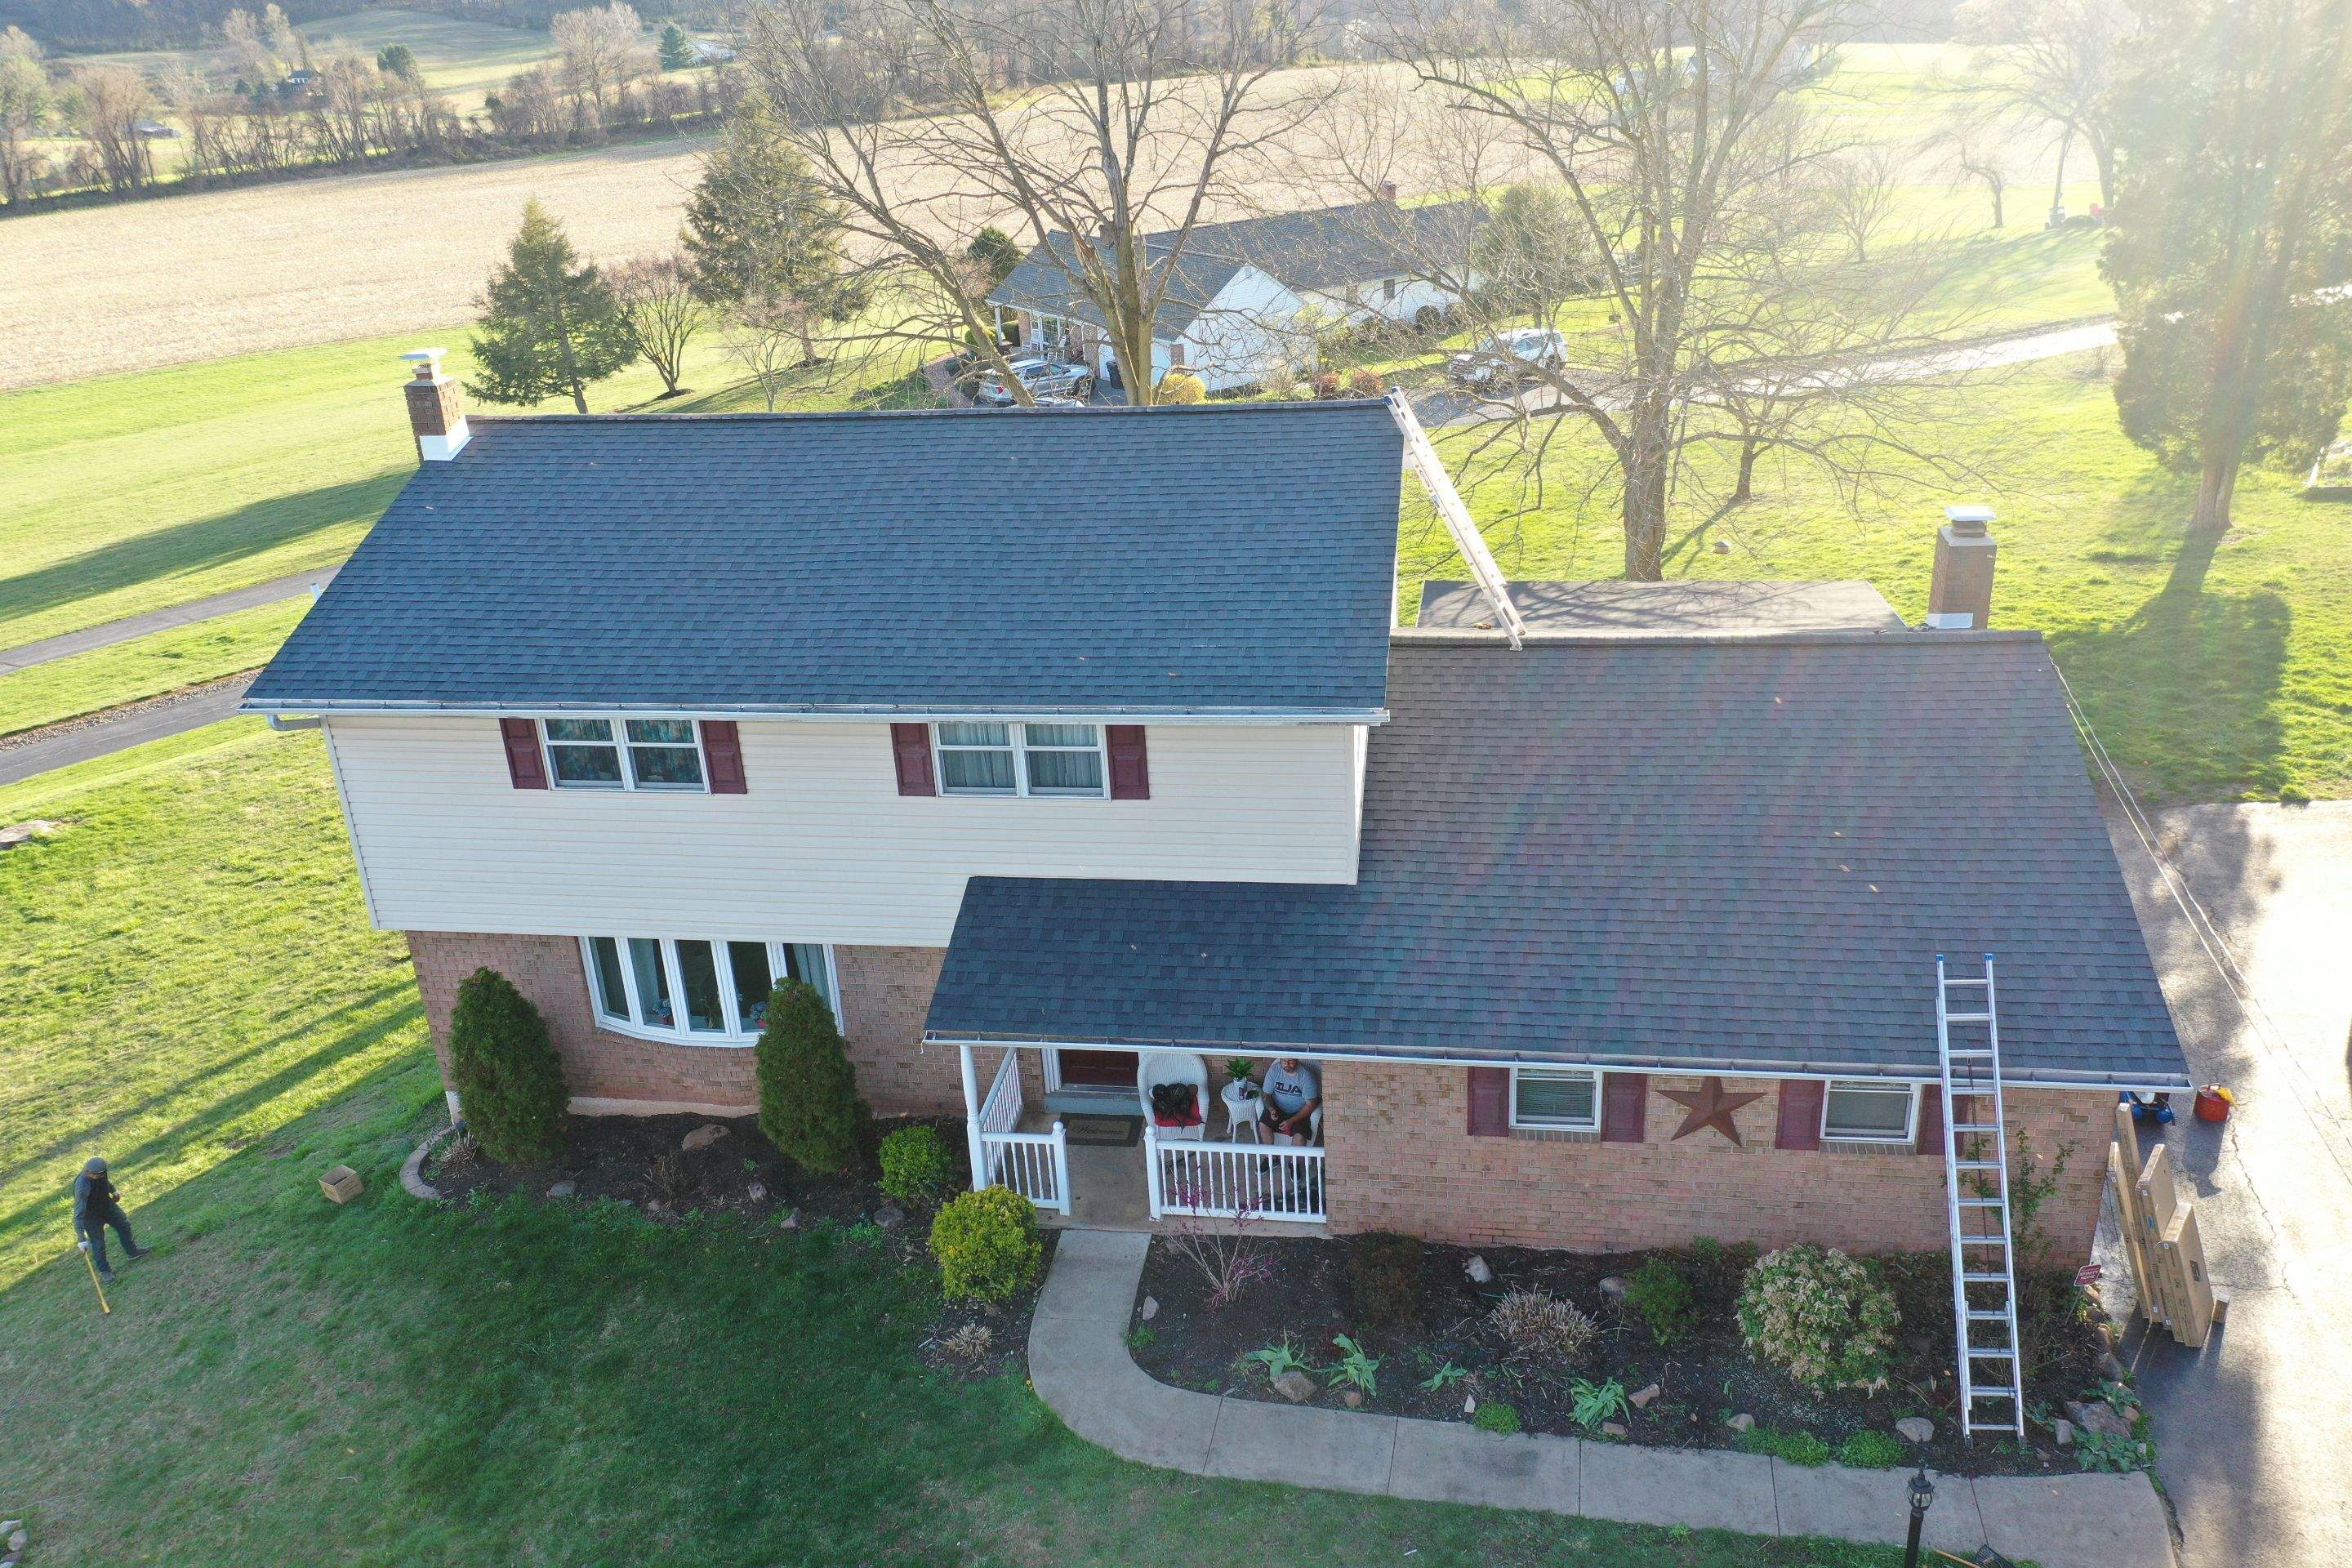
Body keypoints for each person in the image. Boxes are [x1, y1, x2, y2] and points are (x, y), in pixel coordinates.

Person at [74, 1156, 145, 1282]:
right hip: (91, 1217)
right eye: (88, 1172)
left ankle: (132, 1252)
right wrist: (81, 1239)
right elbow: (78, 1214)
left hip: (107, 1207)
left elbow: (104, 1181)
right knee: (98, 1244)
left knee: (124, 1225)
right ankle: (105, 1271)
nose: (88, 1174)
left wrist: (113, 1190)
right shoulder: (82, 1186)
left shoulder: (101, 1173)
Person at [1258, 1057, 1322, 1145]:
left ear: (1297, 1059)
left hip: (1299, 1111)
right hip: (1278, 1107)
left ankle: (1293, 1159)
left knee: (1300, 1136)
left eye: (1290, 1060)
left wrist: (1292, 1120)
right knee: (1263, 1125)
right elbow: (1266, 1095)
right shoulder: (1274, 1070)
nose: (1287, 1063)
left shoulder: (1306, 1076)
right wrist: (1271, 1109)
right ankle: (1271, 1158)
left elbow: (1311, 1104)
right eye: (1284, 1061)